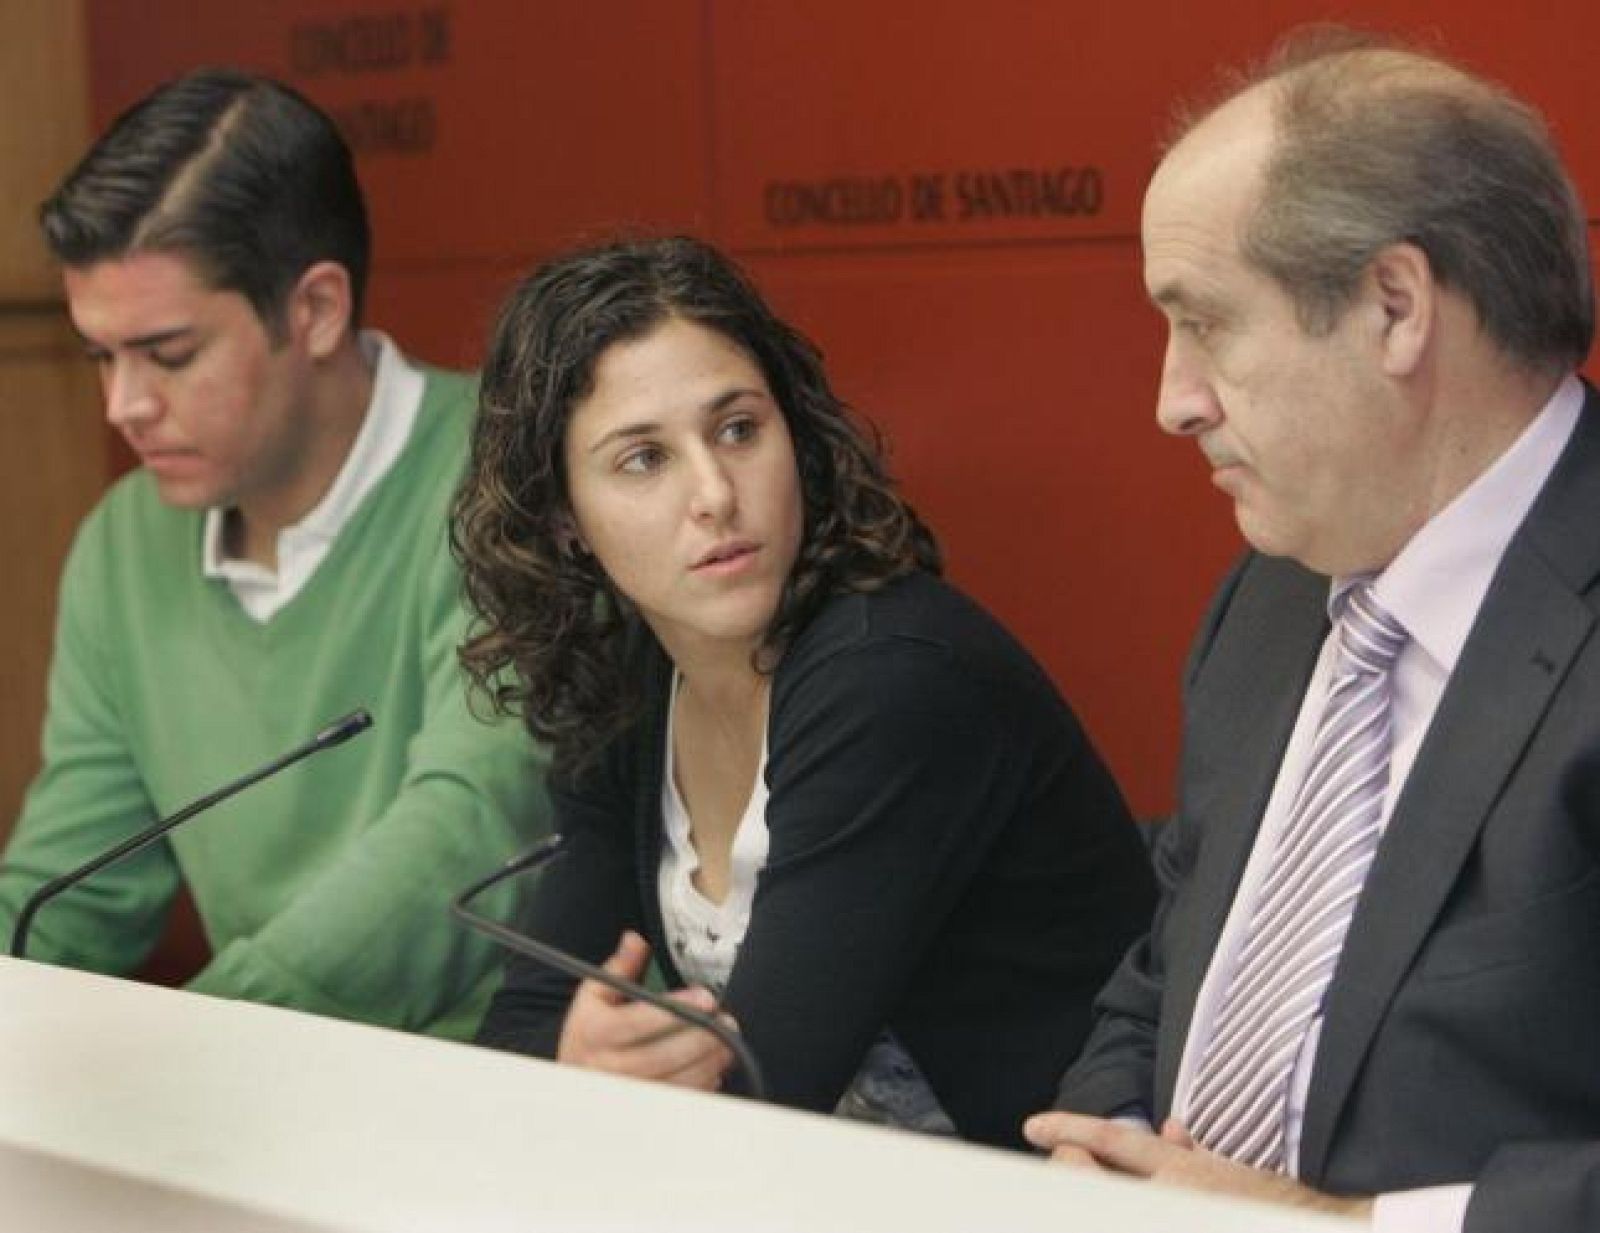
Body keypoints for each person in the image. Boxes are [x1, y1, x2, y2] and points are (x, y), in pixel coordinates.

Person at [1023, 27, 1600, 1233]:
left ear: (1394, 306)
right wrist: (1108, 1147)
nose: (1172, 399)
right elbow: (1163, 971)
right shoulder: (1271, 599)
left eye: (1206, 322)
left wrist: (1338, 1224)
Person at [452, 235, 1156, 1149]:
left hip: (1033, 1192)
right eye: (643, 459)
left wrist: (613, 1086)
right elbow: (519, 1029)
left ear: (797, 434)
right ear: (562, 519)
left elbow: (763, 1092)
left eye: (739, 429)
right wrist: (580, 1056)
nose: (714, 492)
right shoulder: (630, 677)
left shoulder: (888, 677)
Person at [0, 69, 548, 1039]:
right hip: (261, 1096)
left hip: (510, 1100)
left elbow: (464, 838)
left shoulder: (510, 483)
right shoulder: (121, 544)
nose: (123, 405)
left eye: (167, 355)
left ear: (317, 310)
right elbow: (66, 898)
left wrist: (203, 1051)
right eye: (101, 356)